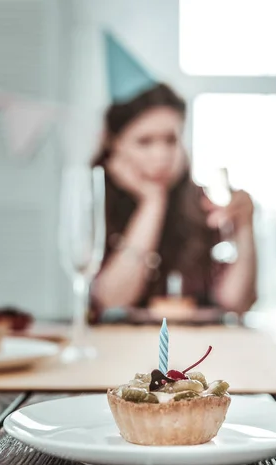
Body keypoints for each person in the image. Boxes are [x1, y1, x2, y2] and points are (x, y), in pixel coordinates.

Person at [91, 83, 257, 316]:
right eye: (145, 142)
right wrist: (153, 202)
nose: (161, 155)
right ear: (113, 143)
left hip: (196, 346)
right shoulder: (95, 203)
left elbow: (235, 302)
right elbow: (112, 300)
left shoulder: (203, 203)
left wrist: (245, 227)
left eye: (170, 140)